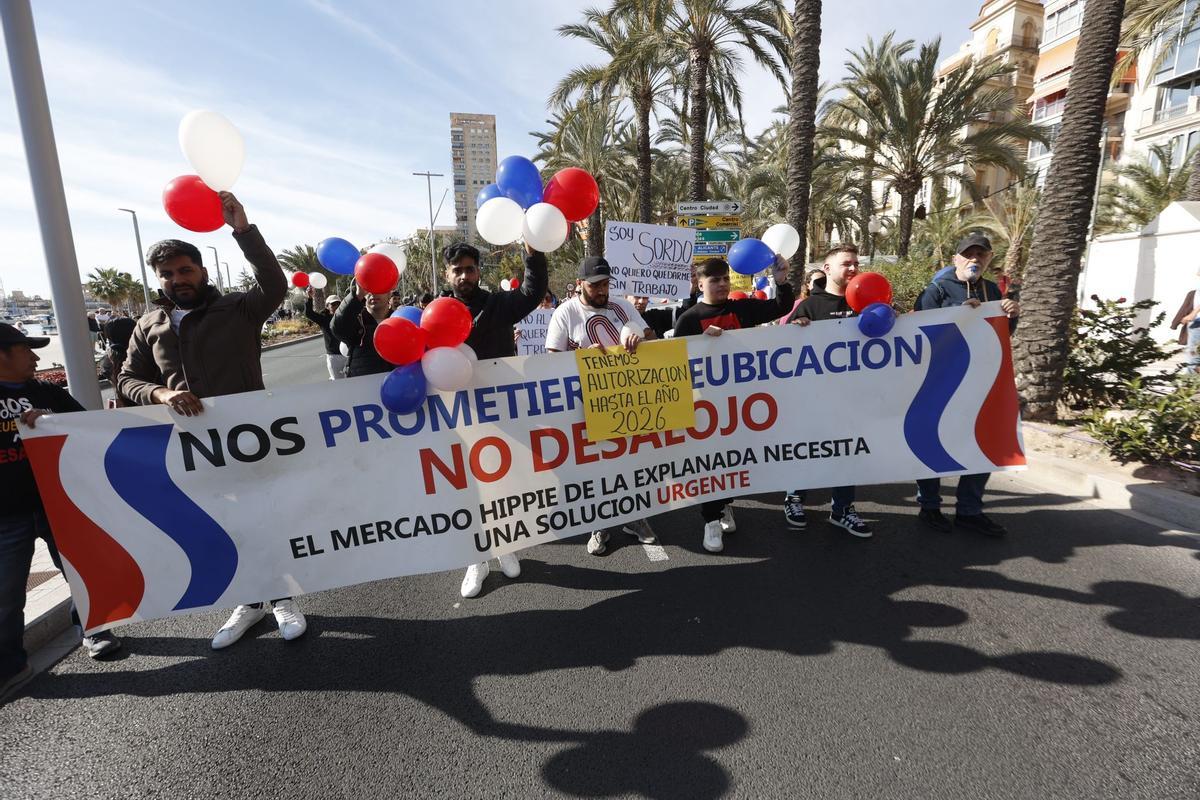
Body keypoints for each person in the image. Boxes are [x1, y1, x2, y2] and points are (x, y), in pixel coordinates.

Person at [117, 191, 307, 650]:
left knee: (261, 519)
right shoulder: (149, 325)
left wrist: (242, 229)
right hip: (191, 448)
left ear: (201, 271)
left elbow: (274, 284)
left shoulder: (239, 308)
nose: (177, 279)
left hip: (249, 440)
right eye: (167, 274)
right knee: (223, 525)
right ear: (158, 279)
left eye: (185, 270)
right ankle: (249, 601)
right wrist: (162, 393)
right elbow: (126, 379)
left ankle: (283, 598)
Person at [2, 323, 121, 701]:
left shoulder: (48, 393)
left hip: (60, 504)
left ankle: (95, 630)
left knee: (82, 571)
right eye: (25, 349)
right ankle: (11, 667)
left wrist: (55, 422)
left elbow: (89, 430)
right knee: (6, 592)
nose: (35, 356)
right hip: (7, 515)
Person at [442, 241, 549, 598]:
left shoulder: (498, 305)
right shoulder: (434, 312)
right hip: (458, 418)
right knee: (468, 490)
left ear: (478, 272)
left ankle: (506, 545)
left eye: (470, 269)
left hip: (502, 413)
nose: (464, 276)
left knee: (504, 484)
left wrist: (533, 253)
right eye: (457, 270)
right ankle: (477, 560)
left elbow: (533, 292)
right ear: (447, 274)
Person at [673, 256, 794, 553]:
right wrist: (702, 345)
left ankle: (724, 503)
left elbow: (781, 307)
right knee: (710, 463)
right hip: (707, 408)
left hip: (742, 406)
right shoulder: (688, 319)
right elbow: (678, 366)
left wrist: (781, 280)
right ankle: (711, 520)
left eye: (725, 279)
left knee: (733, 462)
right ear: (700, 283)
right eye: (715, 280)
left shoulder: (743, 309)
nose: (722, 284)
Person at [546, 256, 659, 556]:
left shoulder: (623, 307)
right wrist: (583, 356)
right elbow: (551, 360)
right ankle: (600, 523)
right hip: (586, 403)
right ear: (580, 284)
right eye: (595, 285)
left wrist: (641, 339)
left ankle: (634, 518)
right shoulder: (565, 313)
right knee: (598, 467)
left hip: (629, 399)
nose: (601, 290)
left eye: (606, 284)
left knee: (632, 461)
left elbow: (654, 341)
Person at [911, 232, 1020, 536]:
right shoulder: (936, 289)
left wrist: (1011, 316)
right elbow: (919, 333)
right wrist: (958, 315)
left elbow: (1000, 336)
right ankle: (929, 506)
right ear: (955, 259)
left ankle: (969, 511)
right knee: (931, 442)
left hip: (980, 382)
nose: (975, 259)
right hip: (939, 381)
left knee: (983, 443)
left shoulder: (991, 291)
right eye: (969, 254)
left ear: (989, 259)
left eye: (981, 254)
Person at [782, 244, 873, 538]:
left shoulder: (867, 301)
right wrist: (796, 329)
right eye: (846, 263)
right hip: (814, 399)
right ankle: (795, 497)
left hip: (853, 397)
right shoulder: (810, 305)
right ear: (827, 268)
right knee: (808, 450)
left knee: (848, 452)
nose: (853, 268)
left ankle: (843, 509)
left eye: (856, 263)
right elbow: (783, 351)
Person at [331, 280, 396, 378]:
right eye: (368, 289)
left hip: (397, 382)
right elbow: (337, 327)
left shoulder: (400, 319)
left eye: (379, 289)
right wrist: (356, 295)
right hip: (361, 383)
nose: (373, 293)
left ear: (389, 293)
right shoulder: (355, 320)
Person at [304, 289, 346, 380]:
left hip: (348, 355)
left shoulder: (345, 317)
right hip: (334, 357)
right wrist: (309, 298)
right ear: (327, 306)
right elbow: (309, 313)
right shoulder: (323, 319)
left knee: (353, 381)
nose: (336, 306)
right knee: (338, 382)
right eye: (333, 304)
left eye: (338, 304)